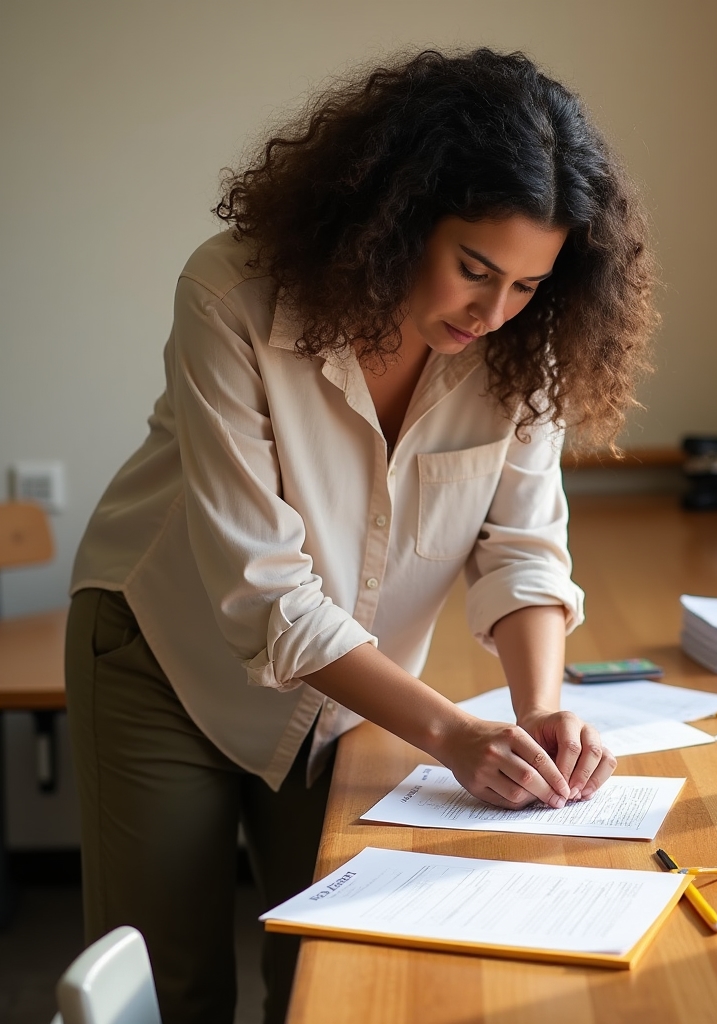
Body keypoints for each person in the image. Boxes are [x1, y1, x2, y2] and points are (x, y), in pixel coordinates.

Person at [65, 48, 657, 1024]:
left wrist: (536, 709)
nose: (493, 311)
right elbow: (263, 595)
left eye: (526, 284)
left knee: (330, 975)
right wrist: (454, 733)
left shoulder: (520, 343)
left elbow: (521, 545)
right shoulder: (232, 296)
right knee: (175, 993)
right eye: (474, 269)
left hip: (347, 692)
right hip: (162, 660)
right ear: (396, 214)